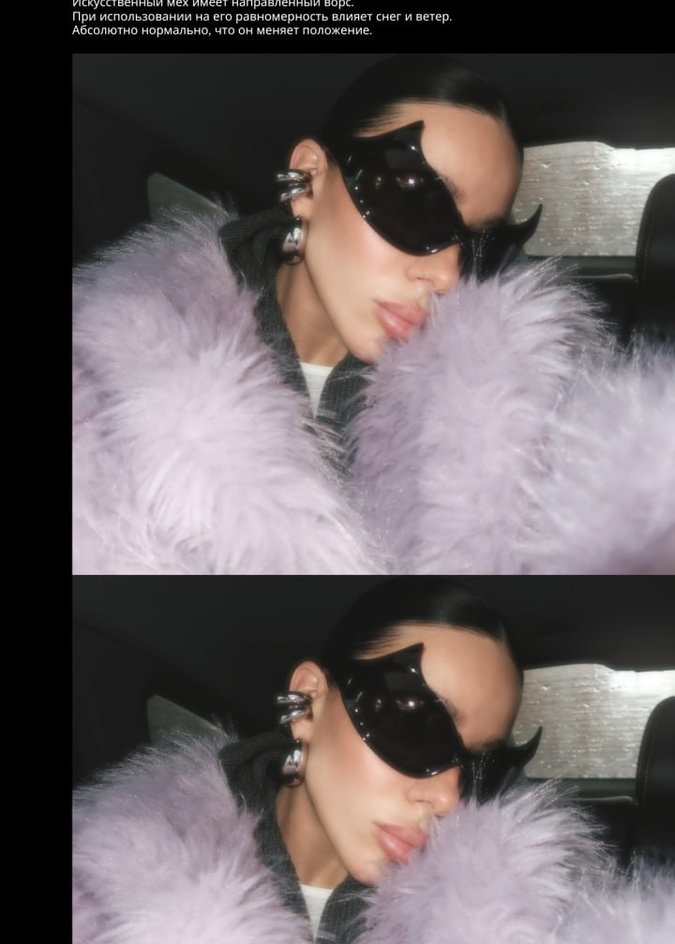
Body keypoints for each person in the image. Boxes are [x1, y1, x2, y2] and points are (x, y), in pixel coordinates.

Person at [72, 55, 675, 575]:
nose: (446, 275)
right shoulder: (99, 383)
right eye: (418, 202)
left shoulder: (516, 409)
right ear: (308, 178)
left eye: (479, 244)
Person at [72, 578, 674, 944]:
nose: (446, 797)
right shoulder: (101, 909)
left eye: (479, 765)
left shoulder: (515, 934)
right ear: (308, 700)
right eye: (417, 722)